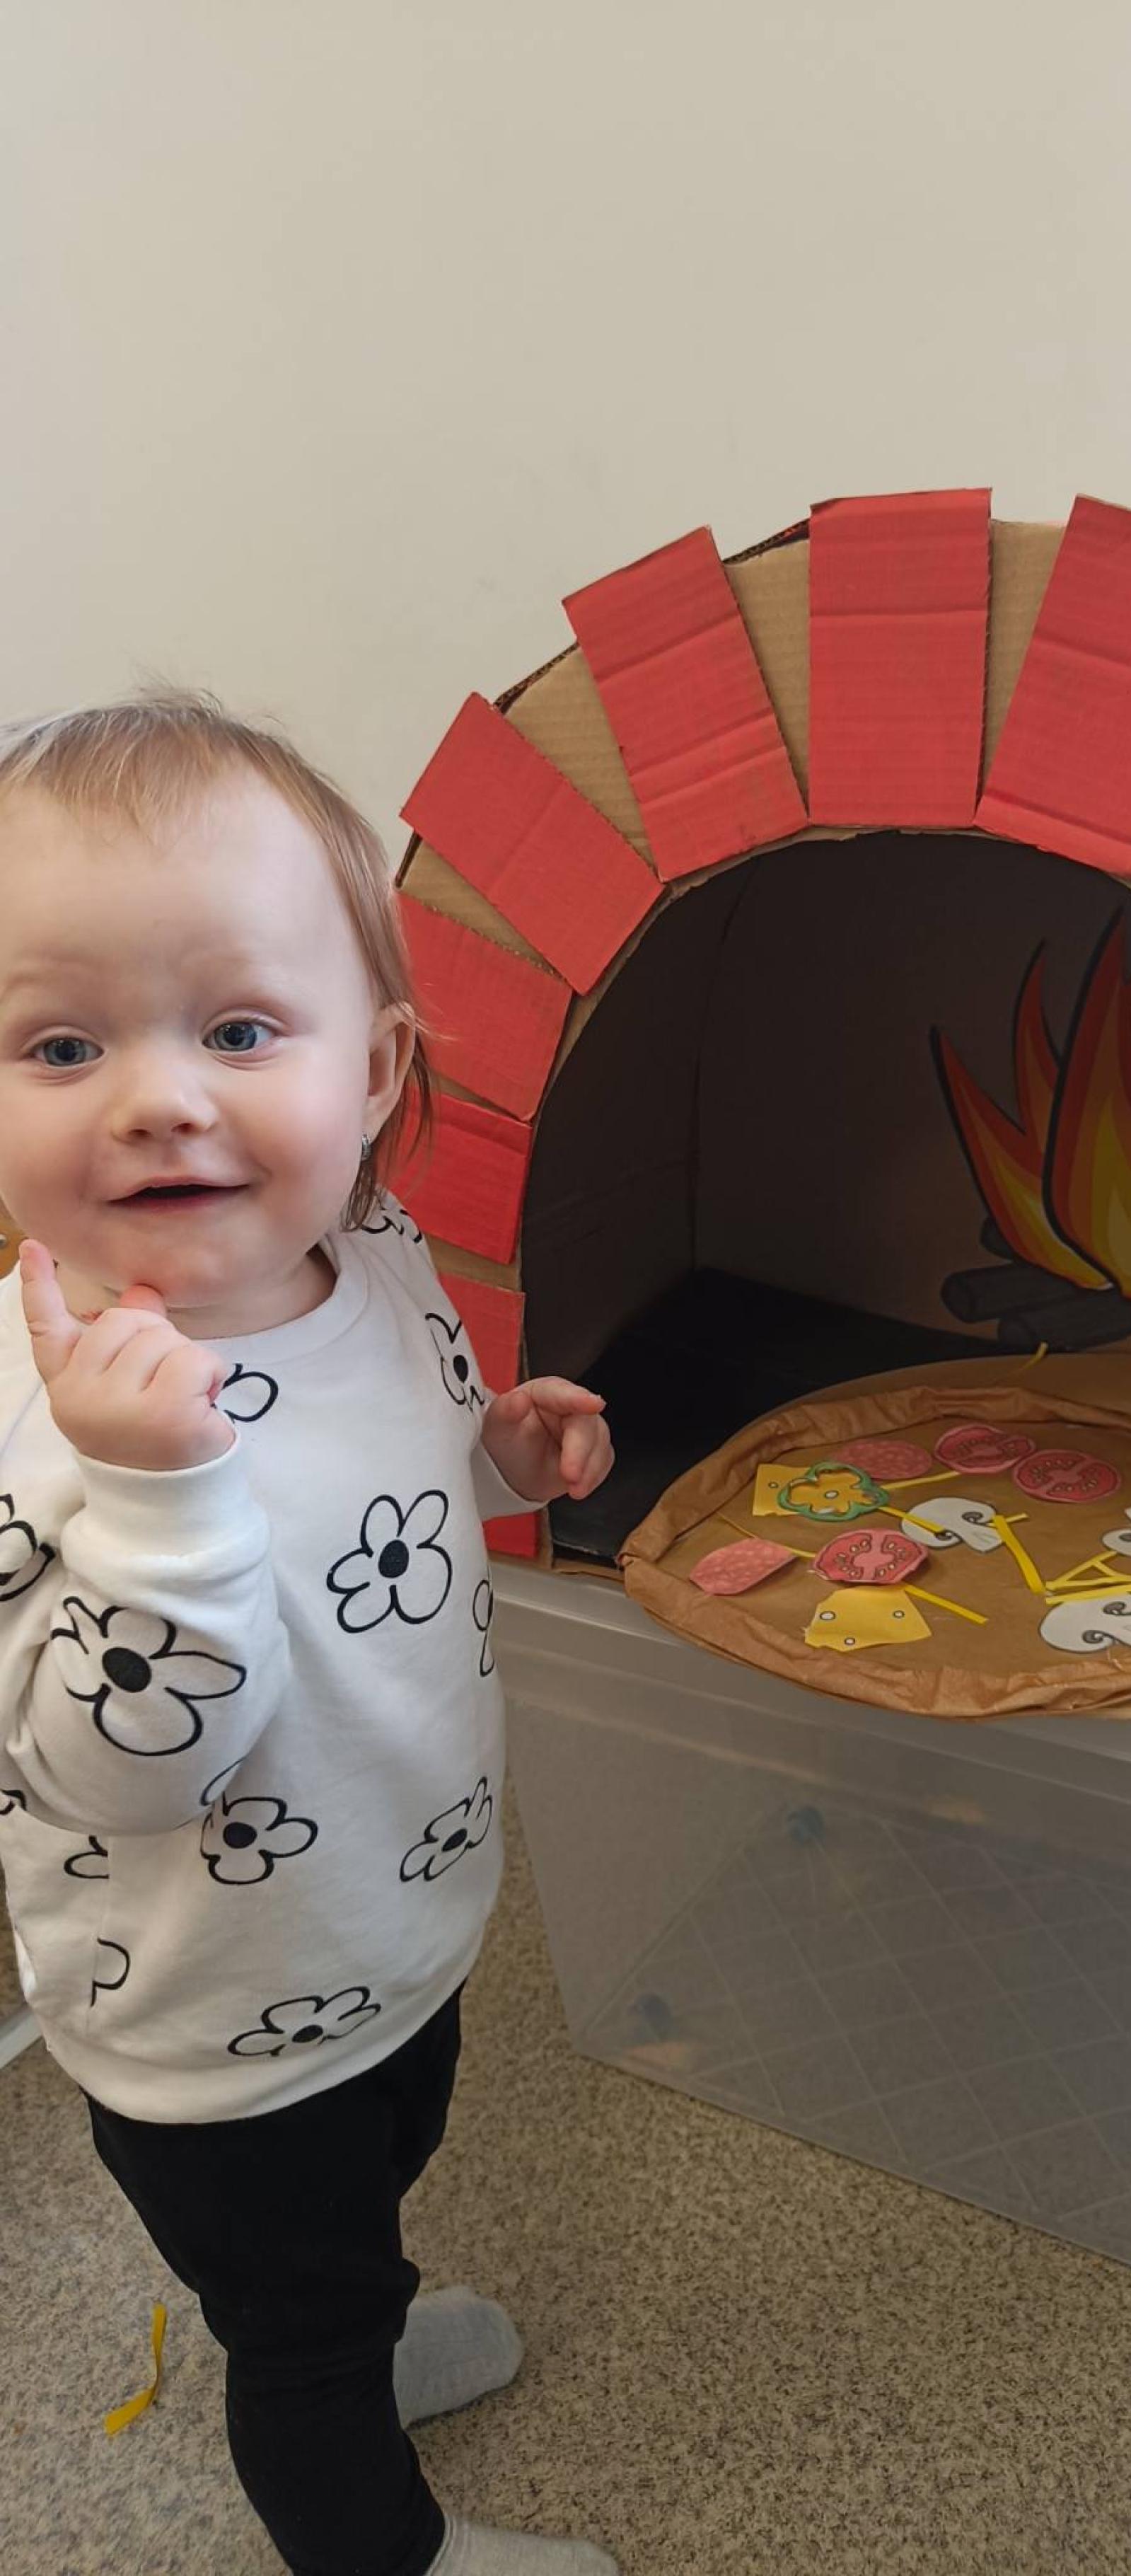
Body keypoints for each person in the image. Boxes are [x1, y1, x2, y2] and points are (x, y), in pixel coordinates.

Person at [0, 692, 620, 2576]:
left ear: (378, 1069)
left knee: (381, 2174)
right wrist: (158, 1494)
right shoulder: (40, 1424)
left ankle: (356, 2319)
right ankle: (374, 2529)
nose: (158, 1095)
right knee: (296, 2326)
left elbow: (386, 1482)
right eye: (61, 1044)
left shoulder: (377, 1251)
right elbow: (110, 1763)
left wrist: (498, 1451)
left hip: (388, 1923)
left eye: (241, 1028)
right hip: (213, 2026)